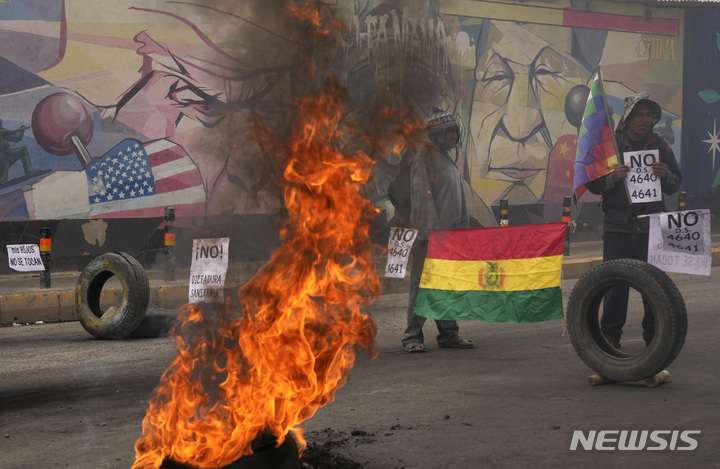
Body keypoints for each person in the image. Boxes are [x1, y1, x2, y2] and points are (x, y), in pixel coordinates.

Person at [586, 93, 682, 349]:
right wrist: (612, 178)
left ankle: (655, 340)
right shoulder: (611, 148)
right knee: (615, 285)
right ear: (628, 117)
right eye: (639, 114)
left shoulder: (661, 145)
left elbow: (676, 183)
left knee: (656, 286)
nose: (644, 120)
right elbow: (593, 184)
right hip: (618, 226)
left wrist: (666, 175)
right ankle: (610, 338)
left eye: (649, 115)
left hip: (653, 226)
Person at [402, 108, 474, 353]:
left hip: (450, 237)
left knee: (446, 286)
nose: (454, 135)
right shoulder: (425, 157)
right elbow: (422, 196)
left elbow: (457, 198)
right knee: (422, 286)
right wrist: (432, 234)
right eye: (449, 132)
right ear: (438, 135)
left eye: (455, 131)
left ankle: (448, 334)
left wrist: (462, 232)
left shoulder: (445, 156)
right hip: (431, 238)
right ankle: (412, 337)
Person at [0, 119, 38, 185]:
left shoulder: (3, 132)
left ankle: (29, 170)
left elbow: (17, 139)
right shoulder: (3, 131)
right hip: (2, 157)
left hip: (7, 155)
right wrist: (20, 129)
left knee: (23, 150)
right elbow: (11, 132)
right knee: (2, 181)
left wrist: (22, 131)